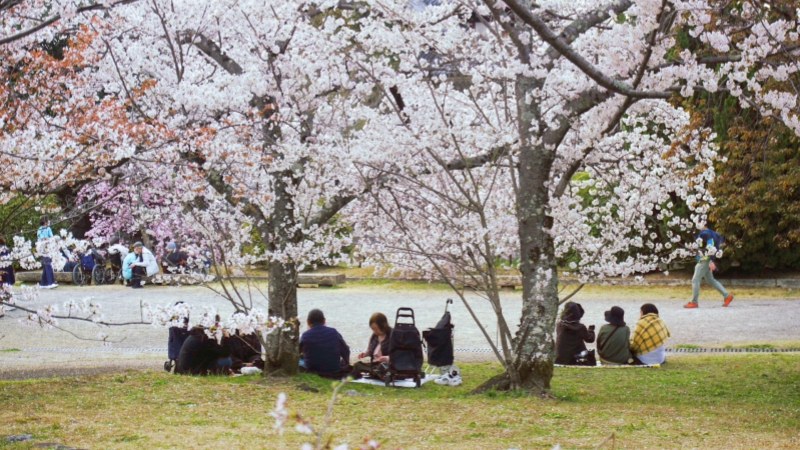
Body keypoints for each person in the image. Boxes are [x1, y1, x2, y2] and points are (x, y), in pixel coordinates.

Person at [685, 223, 733, 308]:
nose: (697, 225)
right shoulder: (703, 233)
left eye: (698, 223)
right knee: (710, 280)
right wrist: (694, 247)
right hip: (704, 259)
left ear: (703, 223)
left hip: (705, 260)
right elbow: (702, 246)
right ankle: (727, 296)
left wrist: (711, 261)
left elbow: (711, 248)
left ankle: (694, 302)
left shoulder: (707, 233)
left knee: (695, 280)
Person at [298, 309, 351, 378]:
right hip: (334, 370)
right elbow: (346, 351)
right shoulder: (334, 332)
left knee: (300, 359)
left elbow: (297, 352)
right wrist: (346, 363)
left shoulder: (305, 336)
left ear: (308, 321)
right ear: (324, 320)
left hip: (313, 370)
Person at [352, 312, 392, 378]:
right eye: (373, 329)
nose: (374, 331)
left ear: (383, 325)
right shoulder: (374, 336)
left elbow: (399, 356)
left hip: (386, 365)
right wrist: (364, 353)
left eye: (376, 329)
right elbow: (369, 348)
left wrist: (387, 358)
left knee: (383, 369)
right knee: (357, 365)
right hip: (374, 364)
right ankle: (376, 372)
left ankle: (378, 373)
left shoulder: (393, 335)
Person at [37, 215, 58, 289]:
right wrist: (47, 239)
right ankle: (50, 282)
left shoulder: (49, 228)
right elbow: (42, 239)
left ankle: (43, 283)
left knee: (47, 265)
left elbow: (51, 237)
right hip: (43, 248)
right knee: (48, 264)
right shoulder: (40, 230)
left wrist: (49, 239)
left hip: (49, 247)